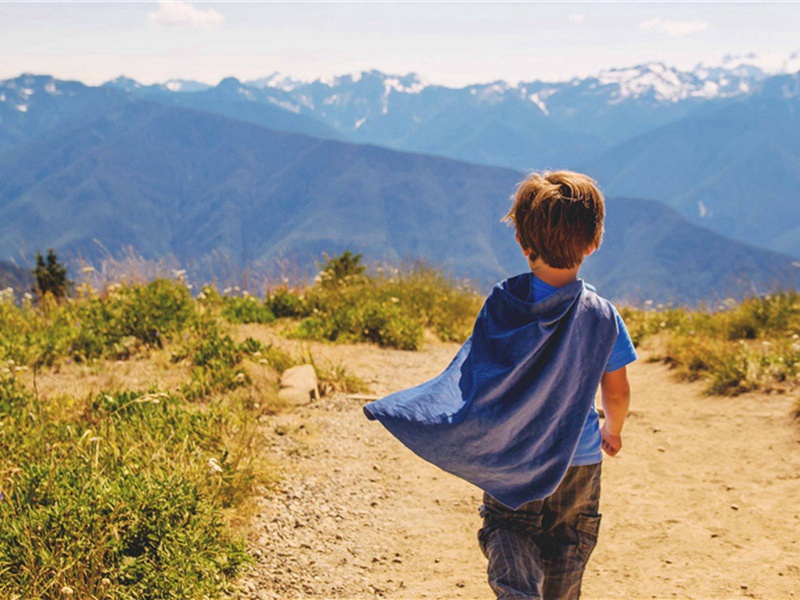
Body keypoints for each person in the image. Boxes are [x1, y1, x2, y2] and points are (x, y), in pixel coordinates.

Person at [364, 170, 636, 600]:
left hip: (514, 454)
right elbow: (616, 392)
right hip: (579, 458)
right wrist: (613, 431)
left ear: (522, 242)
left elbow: (477, 375)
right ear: (594, 241)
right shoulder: (603, 316)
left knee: (509, 526)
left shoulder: (504, 303)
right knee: (569, 544)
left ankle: (518, 592)